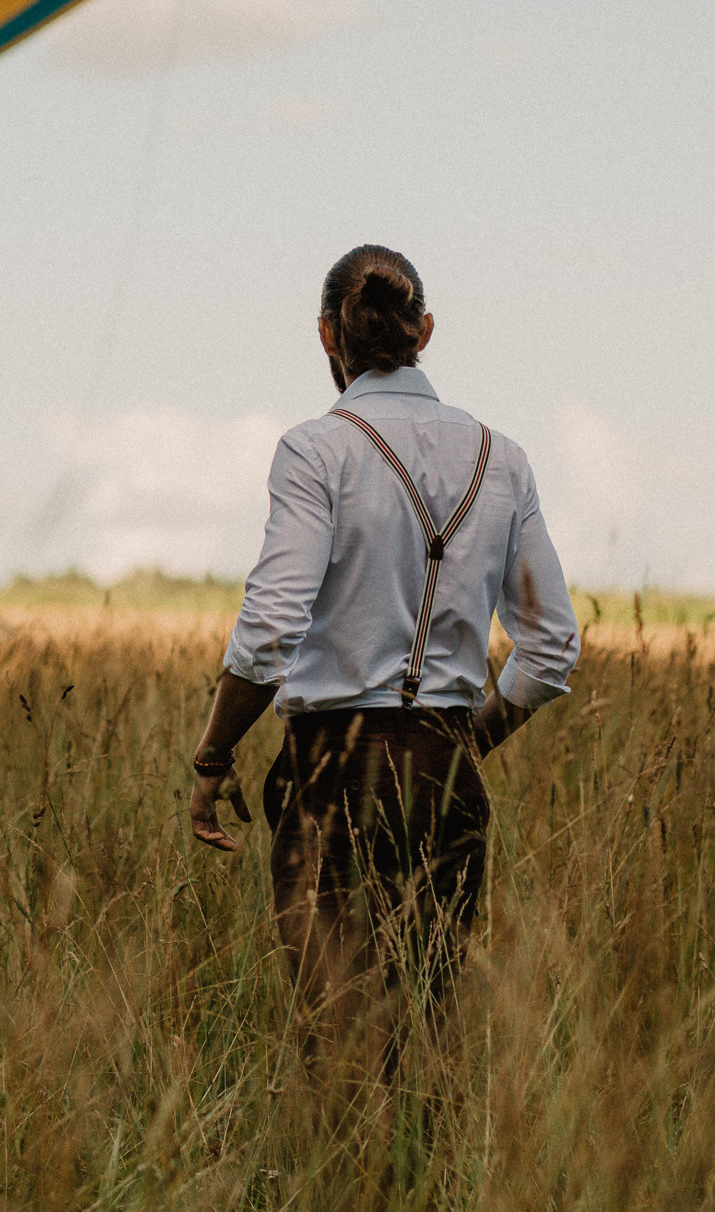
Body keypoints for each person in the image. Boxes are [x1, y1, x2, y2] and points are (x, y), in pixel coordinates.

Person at [188, 244, 580, 1083]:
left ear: (326, 334)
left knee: (336, 1036)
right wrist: (467, 740)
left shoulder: (314, 451)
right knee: (431, 1034)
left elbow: (267, 630)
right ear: (425, 331)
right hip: (449, 772)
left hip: (330, 771)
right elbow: (550, 649)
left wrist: (213, 755)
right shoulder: (501, 458)